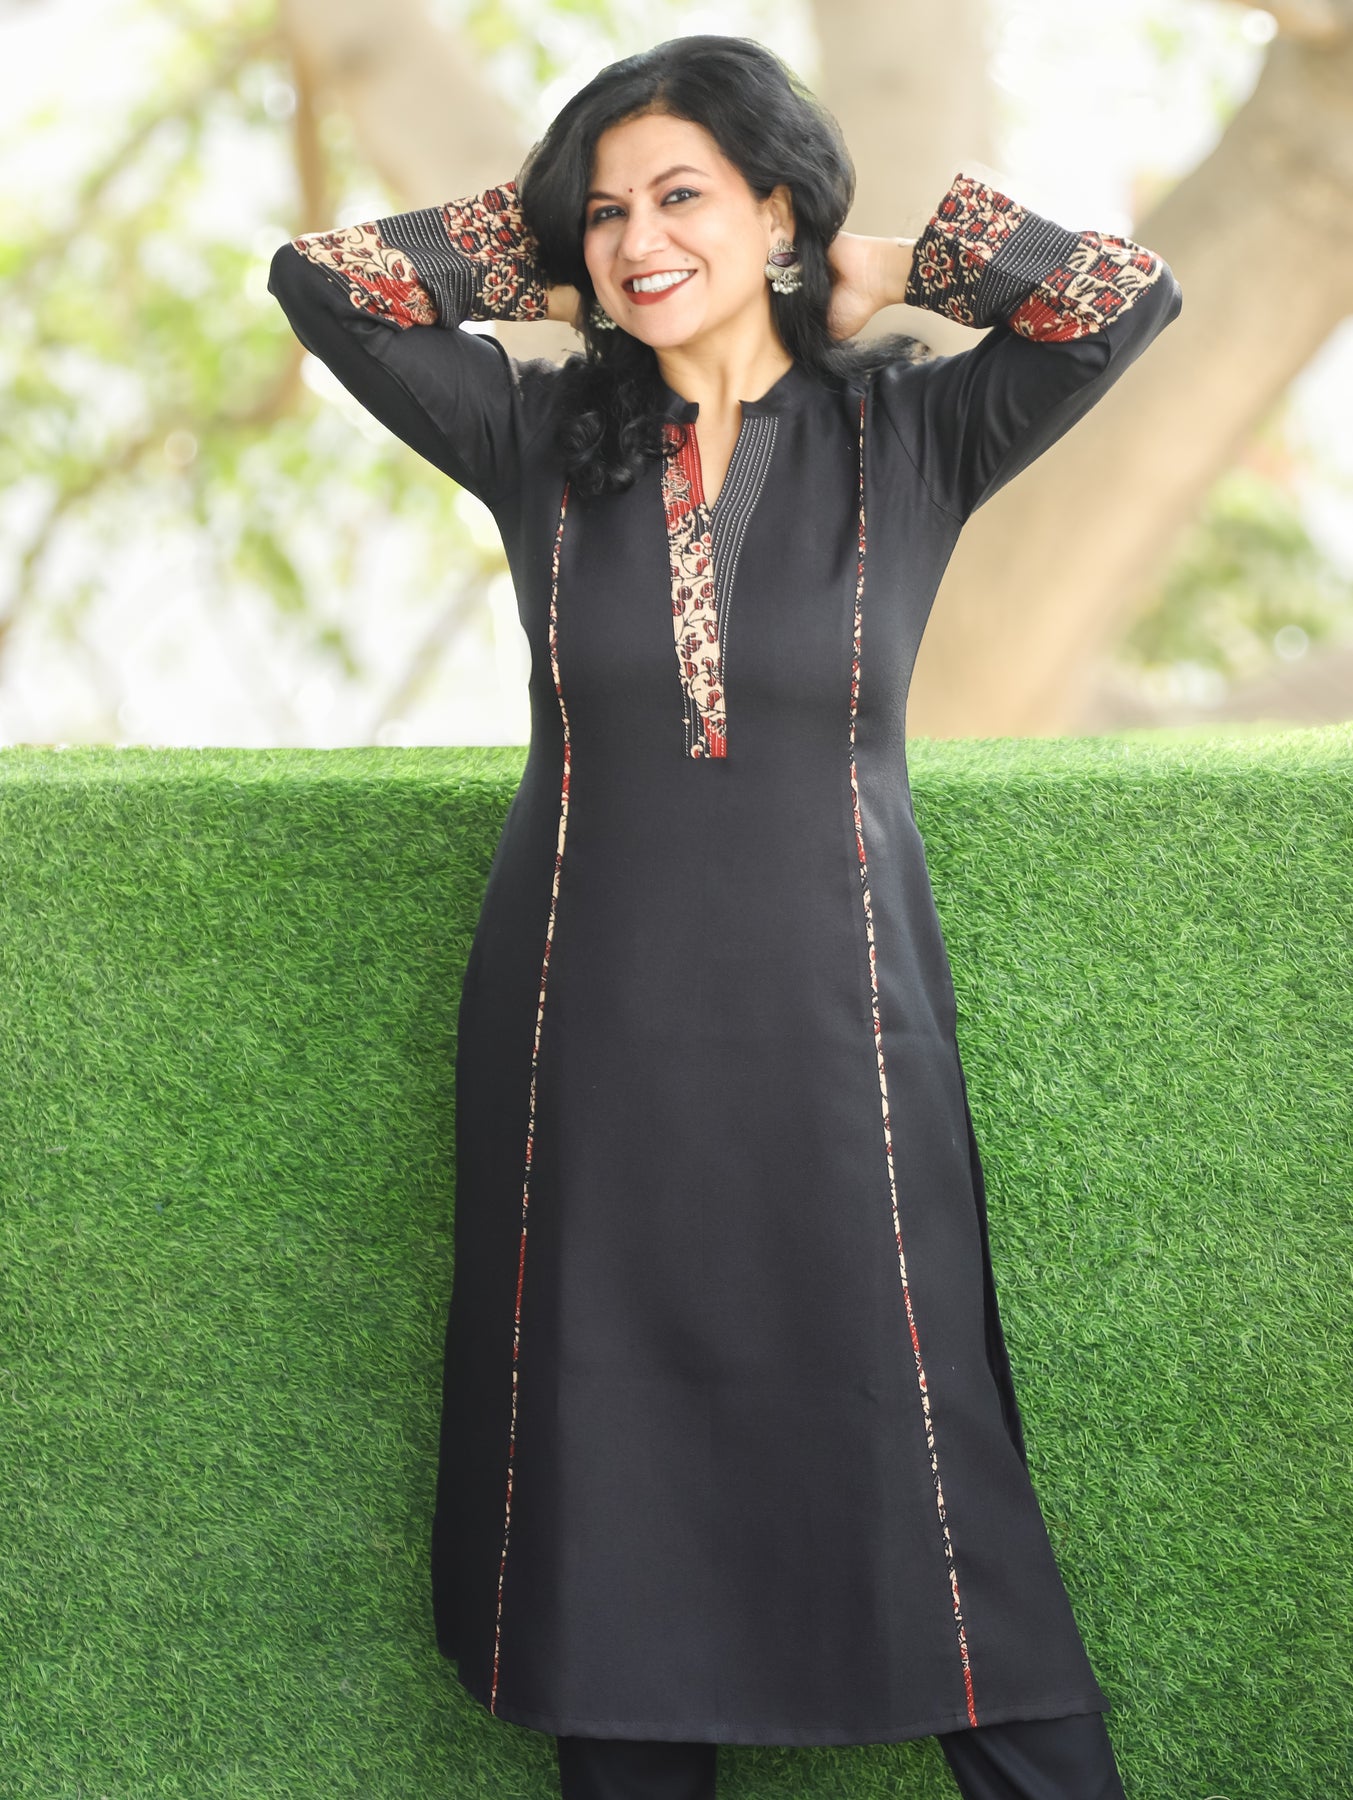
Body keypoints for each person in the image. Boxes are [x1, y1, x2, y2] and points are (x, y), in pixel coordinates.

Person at [269, 33, 1181, 1800]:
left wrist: (872, 262)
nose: (637, 237)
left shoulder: (912, 432)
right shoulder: (536, 436)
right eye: (606, 210)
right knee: (606, 1465)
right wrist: (570, 265)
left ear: (777, 207)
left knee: (929, 1464)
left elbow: (1118, 295)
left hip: (843, 1038)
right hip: (585, 1036)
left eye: (679, 195)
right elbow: (328, 280)